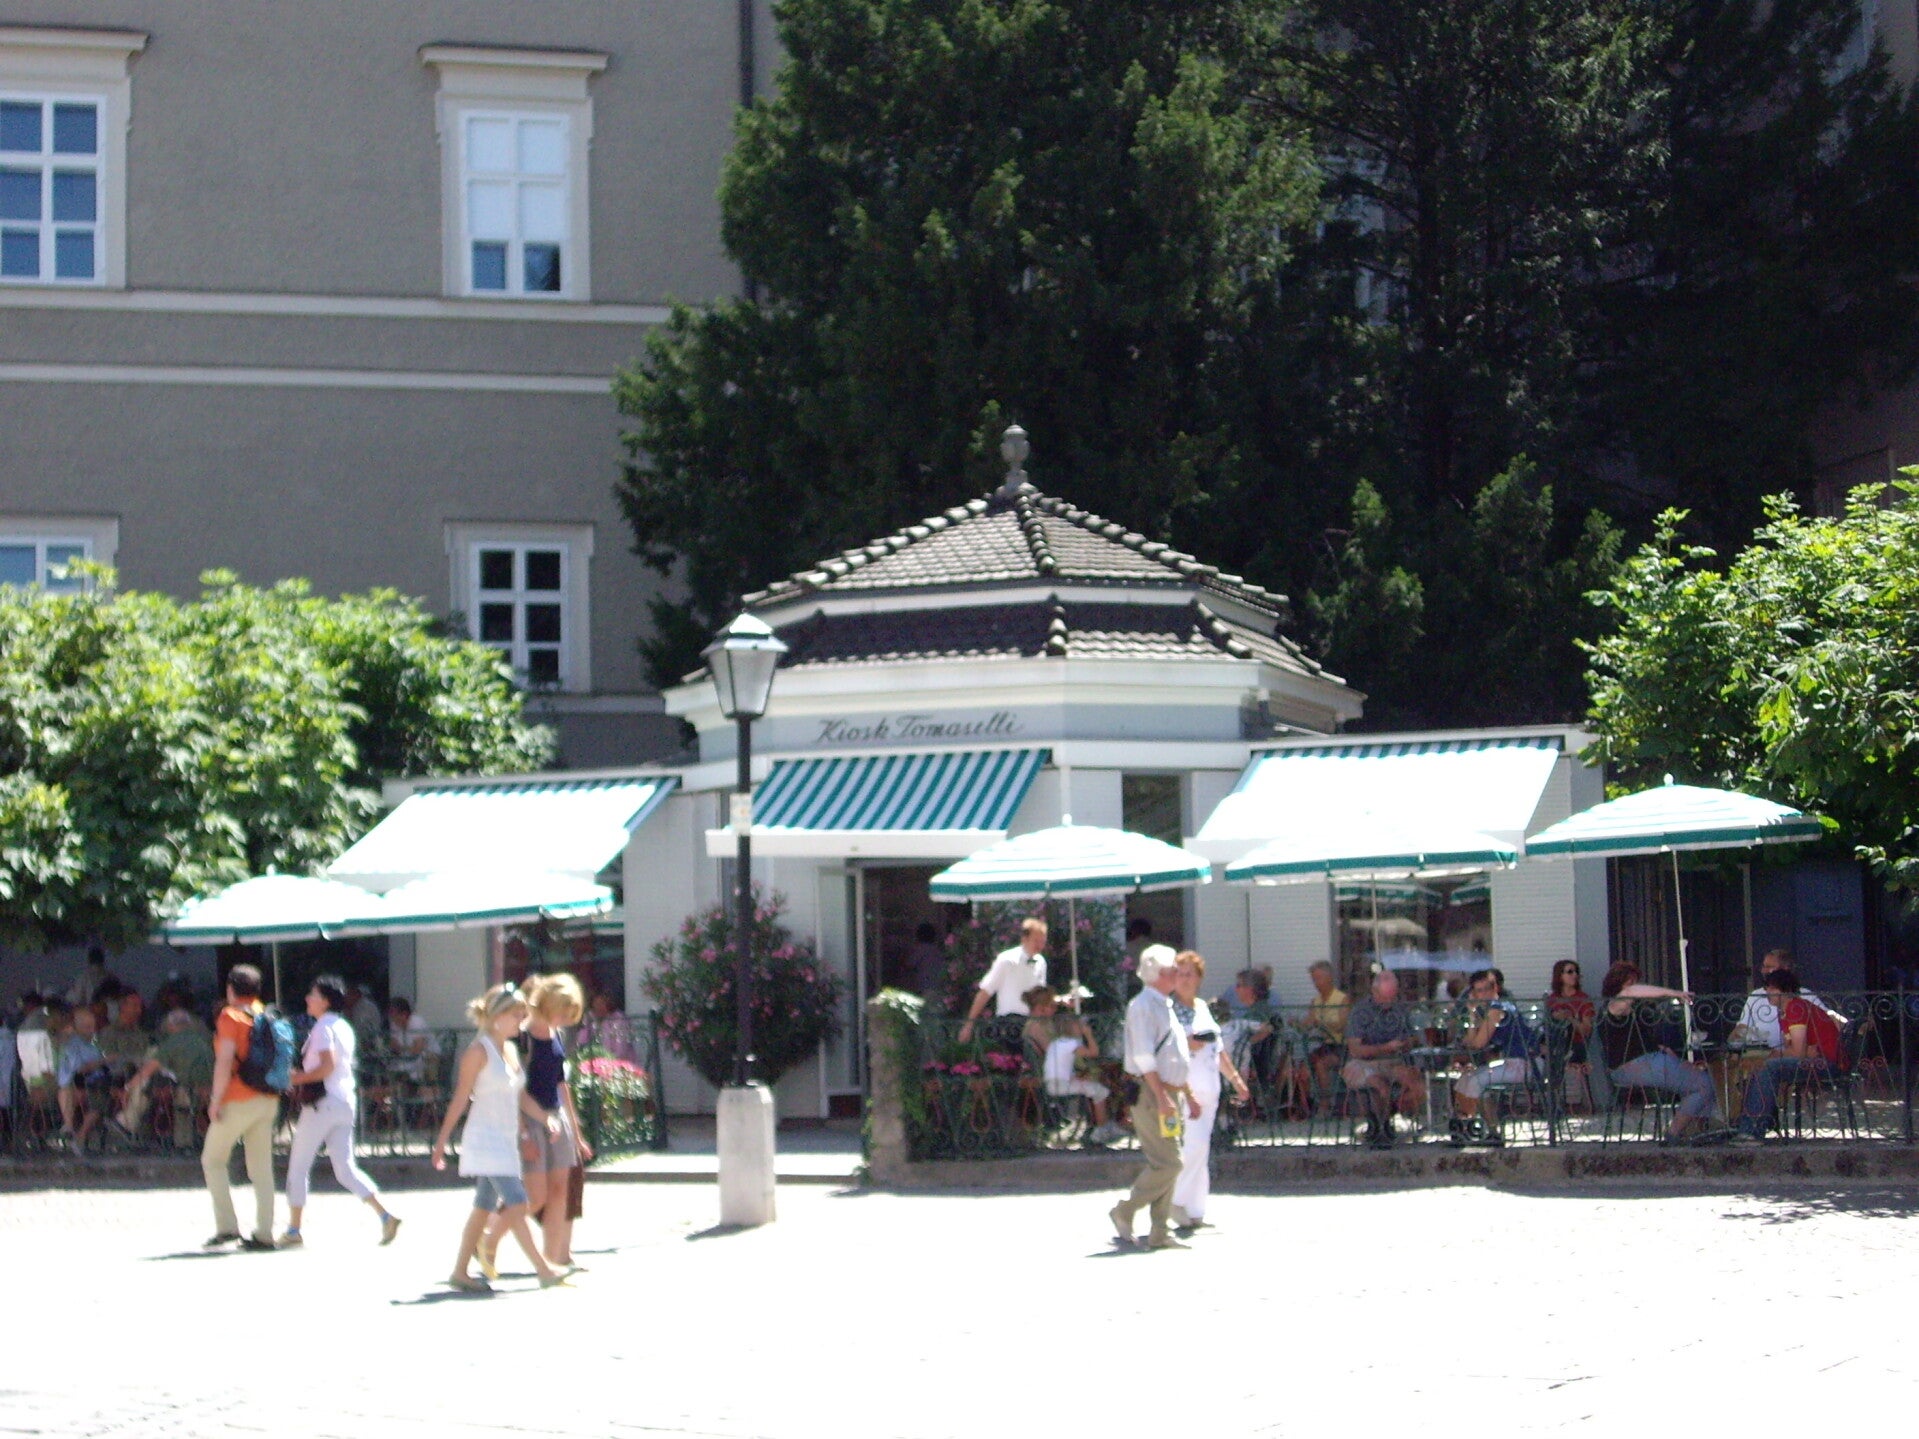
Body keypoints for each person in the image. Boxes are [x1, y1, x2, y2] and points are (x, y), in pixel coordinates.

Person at [431, 983, 568, 1292]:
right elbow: (460, 1099)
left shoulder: (511, 1050)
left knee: (483, 1205)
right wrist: (441, 1142)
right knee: (518, 1202)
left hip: (505, 1139)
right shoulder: (477, 1052)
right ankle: (543, 1269)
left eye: (523, 1014)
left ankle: (460, 1272)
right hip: (485, 1139)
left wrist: (545, 1118)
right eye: (516, 1014)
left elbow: (519, 1097)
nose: (522, 1020)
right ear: (497, 1017)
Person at [480, 973, 593, 1276]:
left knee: (559, 1191)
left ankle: (553, 1260)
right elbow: (513, 1089)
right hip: (529, 1118)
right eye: (564, 1012)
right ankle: (488, 1240)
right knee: (534, 1196)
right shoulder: (522, 1036)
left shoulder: (556, 1034)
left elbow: (560, 1084)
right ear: (550, 1004)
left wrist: (575, 1131)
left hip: (556, 1117)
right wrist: (524, 1132)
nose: (566, 1020)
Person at [280, 975, 401, 1249]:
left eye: (313, 994)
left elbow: (326, 1066)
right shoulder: (343, 1025)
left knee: (298, 1165)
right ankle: (385, 1215)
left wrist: (296, 1078)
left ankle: (294, 1229)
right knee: (345, 1168)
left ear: (325, 1001)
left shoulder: (323, 1028)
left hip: (322, 1104)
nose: (308, 999)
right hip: (345, 1101)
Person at [1108, 944, 1191, 1250]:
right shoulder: (1143, 1005)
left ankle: (1159, 1231)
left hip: (1167, 1092)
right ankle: (1126, 1209)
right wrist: (1163, 1096)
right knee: (1170, 1162)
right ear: (1158, 974)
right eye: (1173, 970)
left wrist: (1182, 1094)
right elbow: (1144, 1057)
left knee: (1167, 1160)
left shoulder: (1163, 1004)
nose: (1179, 975)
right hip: (1153, 1093)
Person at [201, 964, 279, 1250]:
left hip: (237, 1098)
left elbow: (224, 1061)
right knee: (261, 1169)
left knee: (213, 1160)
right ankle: (264, 1233)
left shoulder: (230, 1016)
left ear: (231, 989)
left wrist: (215, 1100)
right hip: (268, 1098)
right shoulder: (265, 1013)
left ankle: (227, 1227)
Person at [1170, 951, 1249, 1230]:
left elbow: (1218, 1048)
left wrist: (1235, 1080)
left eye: (1190, 974)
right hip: (1185, 1087)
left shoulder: (1203, 1007)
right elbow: (1163, 1047)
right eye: (1180, 973)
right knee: (1194, 1145)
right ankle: (1175, 1201)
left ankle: (1195, 1210)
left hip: (1209, 1085)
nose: (1185, 979)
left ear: (1199, 978)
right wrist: (1186, 1043)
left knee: (1202, 1148)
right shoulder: (1169, 1011)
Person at [1597, 962, 1718, 1141]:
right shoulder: (1613, 1006)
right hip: (1633, 1066)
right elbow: (1630, 992)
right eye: (1631, 982)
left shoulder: (1632, 1011)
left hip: (1647, 1062)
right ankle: (1675, 1133)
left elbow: (1643, 1042)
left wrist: (1669, 1054)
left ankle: (1697, 1128)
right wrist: (1674, 993)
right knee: (1703, 1085)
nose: (1636, 987)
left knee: (1702, 1079)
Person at [1734, 968, 1844, 1142]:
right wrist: (1791, 1052)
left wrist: (1774, 1054)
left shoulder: (1795, 1008)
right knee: (1762, 1066)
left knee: (1768, 1067)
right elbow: (1796, 1050)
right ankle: (1752, 1125)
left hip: (1826, 1063)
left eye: (1772, 988)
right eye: (1767, 988)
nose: (1767, 992)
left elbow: (1797, 1052)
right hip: (1816, 1061)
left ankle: (1751, 1131)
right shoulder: (1786, 1011)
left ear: (1785, 990)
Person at [1021, 986, 1126, 1145]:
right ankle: (1102, 1127)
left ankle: (1102, 1124)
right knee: (1103, 1079)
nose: (1055, 1009)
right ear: (1040, 1008)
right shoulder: (1036, 1027)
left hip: (1060, 1072)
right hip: (1056, 1077)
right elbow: (1054, 1054)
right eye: (1052, 1006)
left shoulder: (1041, 1023)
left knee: (1105, 1075)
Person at [1450, 968, 1534, 1144]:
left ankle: (1481, 1128)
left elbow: (1478, 1044)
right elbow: (1470, 1040)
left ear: (1495, 988)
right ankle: (1467, 1125)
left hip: (1523, 1065)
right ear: (1473, 994)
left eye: (1487, 989)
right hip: (1510, 1063)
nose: (1484, 994)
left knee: (1475, 1079)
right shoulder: (1490, 1010)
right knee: (1466, 1078)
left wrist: (1473, 1028)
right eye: (1479, 991)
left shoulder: (1497, 1009)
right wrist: (1472, 1013)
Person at [1341, 969, 1424, 1147]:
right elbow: (1355, 1050)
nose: (1388, 1003)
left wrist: (1406, 1043)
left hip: (1392, 1061)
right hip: (1362, 1064)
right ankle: (1381, 1129)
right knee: (1380, 1085)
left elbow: (1414, 1038)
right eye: (1385, 998)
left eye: (1392, 997)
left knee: (1415, 1082)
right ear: (1374, 991)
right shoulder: (1360, 1012)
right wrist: (1384, 1048)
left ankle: (1395, 1117)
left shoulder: (1399, 1009)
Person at [114, 1007, 215, 1140]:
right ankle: (183, 1142)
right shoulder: (204, 1040)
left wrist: (127, 1088)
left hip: (189, 1093)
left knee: (145, 1084)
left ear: (171, 1026)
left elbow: (147, 1070)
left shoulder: (173, 1043)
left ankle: (126, 1123)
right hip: (210, 1093)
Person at [957, 918, 1047, 1043]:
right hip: (1009, 1022)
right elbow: (986, 991)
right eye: (1036, 941)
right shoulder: (1007, 960)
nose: (1040, 946)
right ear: (1024, 939)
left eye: (1043, 942)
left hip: (1032, 1024)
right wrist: (969, 1024)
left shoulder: (1041, 962)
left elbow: (1040, 996)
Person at [55, 1002, 112, 1152]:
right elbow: (79, 1069)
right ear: (76, 1027)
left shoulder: (94, 1042)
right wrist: (104, 1061)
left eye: (93, 1026)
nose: (92, 1030)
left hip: (98, 1081)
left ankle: (78, 1135)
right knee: (97, 1098)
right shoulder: (72, 1043)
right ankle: (73, 1132)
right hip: (79, 1082)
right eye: (87, 1027)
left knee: (104, 1094)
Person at [1545, 960, 1595, 1107]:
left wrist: (1570, 1018)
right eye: (1570, 972)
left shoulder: (1583, 999)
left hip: (1577, 1045)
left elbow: (1586, 1030)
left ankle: (1553, 1102)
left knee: (1555, 1052)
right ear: (1559, 976)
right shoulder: (1552, 999)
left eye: (1576, 972)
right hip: (1556, 1043)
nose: (1574, 975)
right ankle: (1550, 1100)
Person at [95, 990, 150, 1080]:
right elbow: (108, 1060)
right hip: (117, 1078)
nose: (139, 1010)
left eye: (140, 1007)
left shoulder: (141, 1034)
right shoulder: (109, 1033)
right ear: (123, 1007)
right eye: (135, 1006)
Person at [905, 922, 948, 997]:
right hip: (939, 987)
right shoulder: (938, 950)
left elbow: (909, 965)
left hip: (924, 987)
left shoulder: (920, 950)